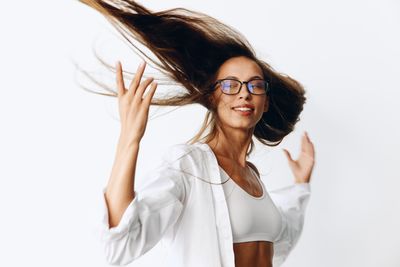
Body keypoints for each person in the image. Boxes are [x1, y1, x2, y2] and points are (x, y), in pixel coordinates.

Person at [79, 1, 316, 266]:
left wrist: (300, 186)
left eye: (255, 84)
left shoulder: (253, 177)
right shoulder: (189, 165)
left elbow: (282, 237)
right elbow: (119, 245)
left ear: (266, 101)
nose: (244, 92)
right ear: (213, 97)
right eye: (230, 85)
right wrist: (129, 139)